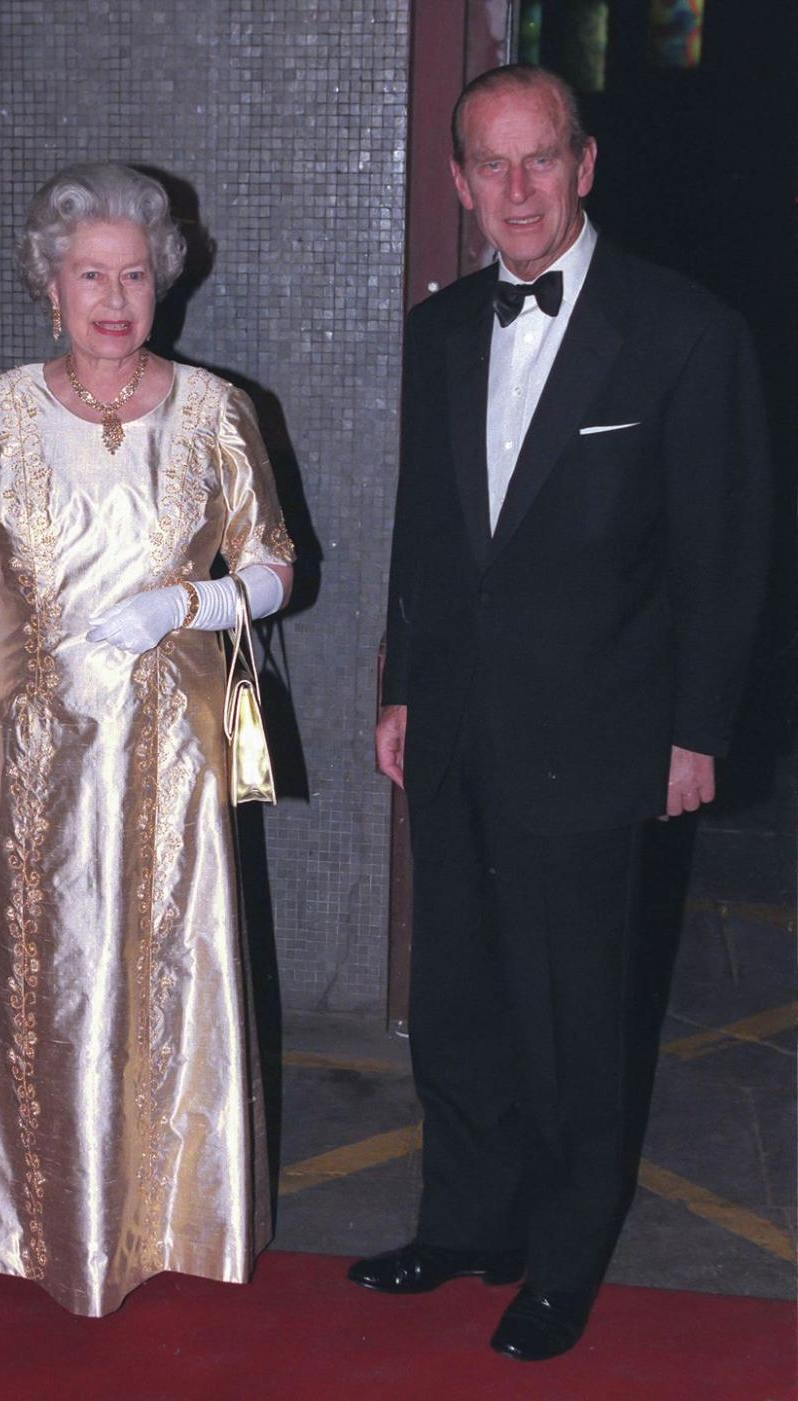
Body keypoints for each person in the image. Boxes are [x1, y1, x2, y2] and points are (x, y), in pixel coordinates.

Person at [348, 65, 769, 1361]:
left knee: (577, 1011)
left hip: (602, 733)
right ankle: (468, 1217)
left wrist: (699, 732)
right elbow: (428, 535)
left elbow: (726, 550)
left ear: (585, 165)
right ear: (462, 181)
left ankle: (568, 1254)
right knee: (462, 993)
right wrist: (400, 686)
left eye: (543, 160)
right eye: (493, 164)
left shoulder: (686, 332)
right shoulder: (437, 331)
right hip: (459, 722)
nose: (518, 190)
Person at [0, 162, 295, 1317]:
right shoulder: (3, 407)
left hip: (172, 752)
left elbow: (275, 570)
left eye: (133, 276)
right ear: (50, 285)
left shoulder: (218, 410)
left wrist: (189, 606)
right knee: (43, 985)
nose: (114, 299)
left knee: (163, 978)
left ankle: (160, 1219)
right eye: (89, 277)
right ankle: (41, 1227)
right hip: (26, 750)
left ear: (161, 284)